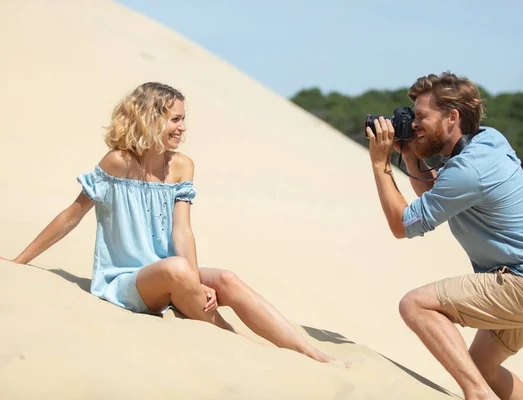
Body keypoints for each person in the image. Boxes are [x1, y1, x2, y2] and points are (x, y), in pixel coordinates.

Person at [1, 82, 336, 365]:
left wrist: (195, 277)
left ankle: (309, 352)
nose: (183, 127)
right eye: (175, 119)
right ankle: (246, 348)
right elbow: (72, 214)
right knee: (176, 269)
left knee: (226, 279)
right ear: (149, 119)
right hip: (125, 281)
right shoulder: (117, 163)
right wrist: (19, 261)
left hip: (171, 271)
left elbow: (182, 230)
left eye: (183, 119)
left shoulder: (182, 167)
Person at [366, 72, 523, 400]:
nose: (414, 124)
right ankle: (482, 387)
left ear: (452, 117)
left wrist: (381, 165)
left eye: (421, 117)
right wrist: (410, 155)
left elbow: (401, 226)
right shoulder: (488, 141)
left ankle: (478, 396)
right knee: (481, 367)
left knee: (416, 305)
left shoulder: (468, 170)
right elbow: (440, 196)